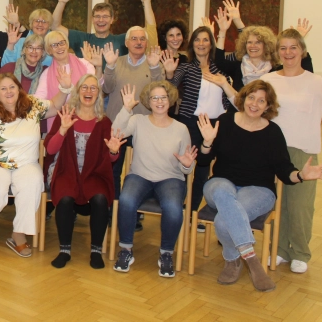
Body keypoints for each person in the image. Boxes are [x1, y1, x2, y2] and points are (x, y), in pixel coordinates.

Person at [196, 80, 322, 291]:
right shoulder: (224, 122)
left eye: (262, 100)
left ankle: (233, 259)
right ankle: (251, 259)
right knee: (223, 193)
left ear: (268, 106)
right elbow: (205, 162)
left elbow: (283, 168)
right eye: (251, 97)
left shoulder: (273, 132)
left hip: (259, 190)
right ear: (243, 99)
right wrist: (207, 143)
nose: (255, 103)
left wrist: (300, 175)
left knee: (224, 220)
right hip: (221, 183)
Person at [0, 68, 69, 258]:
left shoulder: (33, 105)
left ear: (19, 89)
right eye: (3, 88)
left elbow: (54, 105)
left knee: (33, 183)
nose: (9, 91)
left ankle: (18, 233)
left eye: (12, 87)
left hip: (26, 163)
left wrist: (65, 88)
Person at [262, 28, 322, 273]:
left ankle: (299, 252)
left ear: (302, 51)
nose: (288, 53)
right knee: (277, 204)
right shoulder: (269, 80)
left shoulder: (315, 81)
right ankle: (278, 249)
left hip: (303, 152)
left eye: (293, 48)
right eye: (283, 48)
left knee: (300, 206)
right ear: (278, 53)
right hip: (273, 151)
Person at [111, 82, 196, 278]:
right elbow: (117, 132)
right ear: (148, 102)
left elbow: (188, 167)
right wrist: (126, 108)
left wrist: (186, 164)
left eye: (163, 97)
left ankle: (166, 254)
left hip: (171, 179)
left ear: (170, 100)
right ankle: (125, 250)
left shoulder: (181, 129)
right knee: (126, 200)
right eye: (154, 98)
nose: (159, 102)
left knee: (173, 208)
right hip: (140, 175)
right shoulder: (138, 121)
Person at [45, 74, 122, 269]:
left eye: (93, 88)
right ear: (78, 92)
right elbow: (51, 150)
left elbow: (111, 159)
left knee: (99, 198)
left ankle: (96, 250)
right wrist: (62, 130)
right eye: (84, 87)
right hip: (66, 170)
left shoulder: (104, 122)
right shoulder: (65, 115)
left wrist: (114, 151)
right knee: (65, 198)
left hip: (94, 174)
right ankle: (64, 250)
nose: (88, 91)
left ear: (98, 94)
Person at [163, 25, 231, 223]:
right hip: (189, 123)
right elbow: (170, 90)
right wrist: (168, 74)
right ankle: (177, 210)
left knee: (203, 170)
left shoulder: (222, 71)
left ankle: (192, 212)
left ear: (211, 44)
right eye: (197, 40)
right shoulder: (185, 67)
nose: (201, 44)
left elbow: (229, 98)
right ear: (192, 44)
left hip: (214, 125)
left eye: (205, 40)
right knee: (185, 167)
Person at [102, 27, 164, 197]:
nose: (138, 42)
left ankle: (133, 213)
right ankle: (112, 211)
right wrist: (109, 66)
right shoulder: (116, 61)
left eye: (142, 39)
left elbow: (161, 91)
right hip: (117, 126)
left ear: (147, 43)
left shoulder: (154, 63)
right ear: (126, 42)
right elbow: (106, 88)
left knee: (141, 174)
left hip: (145, 128)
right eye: (134, 39)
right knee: (113, 172)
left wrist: (154, 68)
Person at [50, 0, 159, 71]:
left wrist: (147, 2)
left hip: (113, 93)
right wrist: (61, 3)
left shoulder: (122, 40)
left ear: (112, 19)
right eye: (97, 16)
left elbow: (150, 31)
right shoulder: (82, 38)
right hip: (86, 92)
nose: (101, 20)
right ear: (92, 19)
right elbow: (55, 27)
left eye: (105, 16)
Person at [212, 1, 314, 90]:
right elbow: (219, 61)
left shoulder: (276, 69)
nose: (253, 46)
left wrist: (298, 39)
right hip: (238, 112)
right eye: (249, 42)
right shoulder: (238, 67)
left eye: (258, 42)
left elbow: (306, 71)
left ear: (266, 46)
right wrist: (222, 31)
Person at [34, 30, 98, 132]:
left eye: (61, 43)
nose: (59, 47)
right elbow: (38, 103)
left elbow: (97, 87)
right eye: (54, 45)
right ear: (49, 50)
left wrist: (98, 66)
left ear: (67, 44)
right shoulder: (46, 74)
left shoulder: (85, 64)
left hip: (85, 122)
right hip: (59, 126)